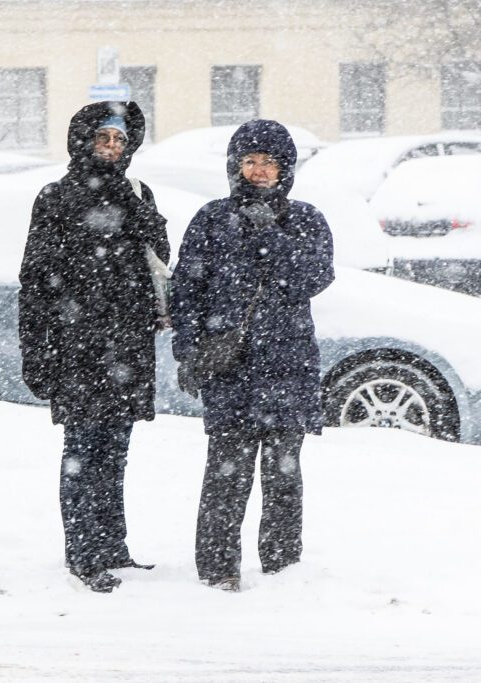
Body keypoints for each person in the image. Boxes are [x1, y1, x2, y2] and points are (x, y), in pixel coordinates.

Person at [171, 119, 335, 592]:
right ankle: (218, 569)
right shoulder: (211, 218)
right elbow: (187, 290)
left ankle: (283, 567)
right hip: (231, 368)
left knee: (283, 474)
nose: (259, 171)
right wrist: (188, 349)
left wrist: (273, 236)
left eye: (269, 162)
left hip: (289, 366)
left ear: (285, 168)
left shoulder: (305, 219)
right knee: (226, 474)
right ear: (235, 166)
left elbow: (313, 279)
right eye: (250, 161)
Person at [18, 101, 170, 593]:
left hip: (126, 344)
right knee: (82, 449)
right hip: (76, 345)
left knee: (116, 448)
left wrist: (136, 206)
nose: (110, 148)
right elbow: (35, 280)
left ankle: (112, 543)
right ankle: (82, 552)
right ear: (82, 139)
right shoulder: (56, 197)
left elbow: (160, 256)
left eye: (119, 140)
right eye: (102, 138)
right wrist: (36, 350)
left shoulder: (136, 193)